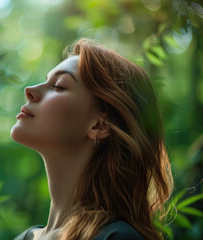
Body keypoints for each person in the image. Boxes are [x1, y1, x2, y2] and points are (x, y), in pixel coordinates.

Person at [10, 38, 173, 240]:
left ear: (99, 125)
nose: (30, 90)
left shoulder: (118, 237)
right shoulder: (24, 238)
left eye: (59, 86)